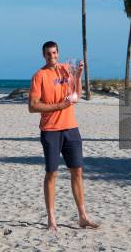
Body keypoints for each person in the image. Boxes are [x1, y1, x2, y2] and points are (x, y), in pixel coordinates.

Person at [28, 41, 100, 233]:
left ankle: (83, 217)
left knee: (77, 171)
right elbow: (32, 106)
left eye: (54, 53)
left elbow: (76, 95)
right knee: (52, 173)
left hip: (71, 128)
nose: (52, 56)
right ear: (43, 56)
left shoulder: (66, 70)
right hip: (50, 130)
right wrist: (58, 106)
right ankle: (51, 219)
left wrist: (78, 75)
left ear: (58, 53)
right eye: (48, 54)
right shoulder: (39, 76)